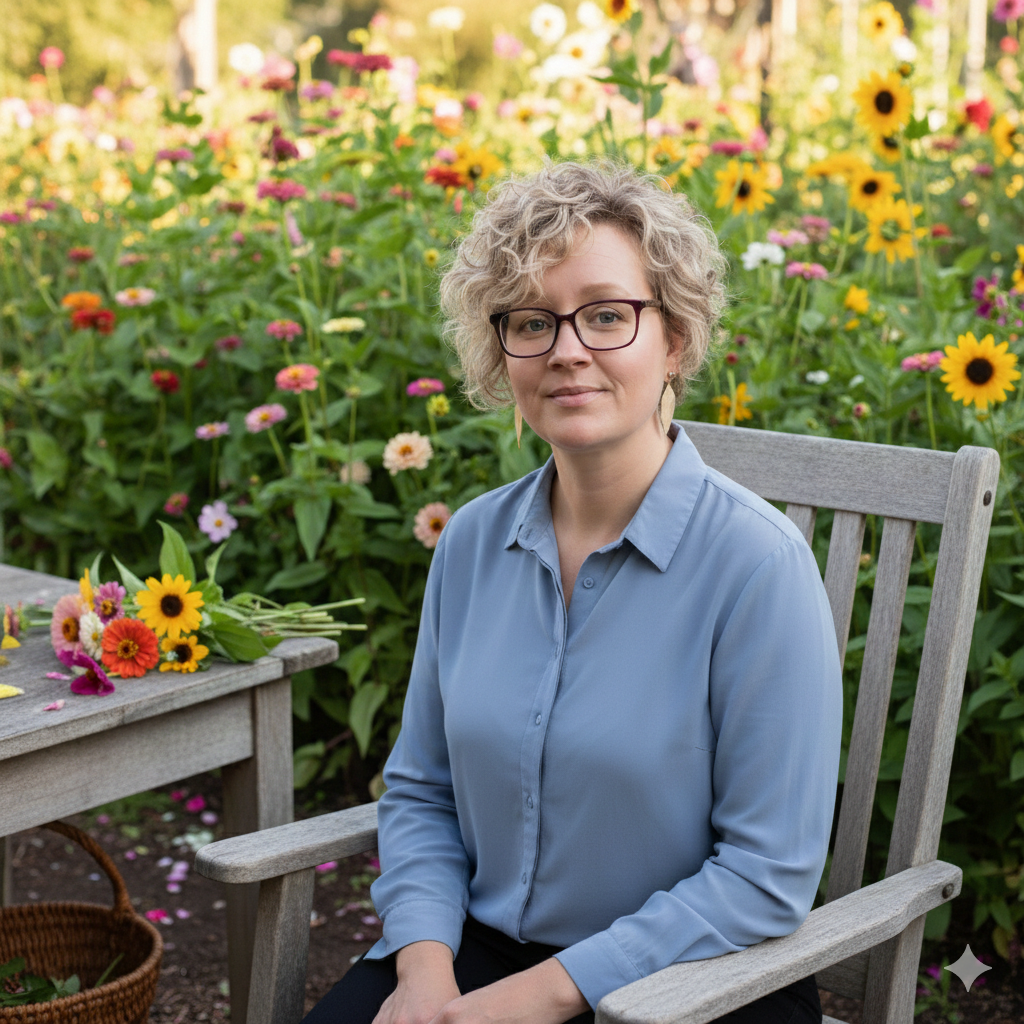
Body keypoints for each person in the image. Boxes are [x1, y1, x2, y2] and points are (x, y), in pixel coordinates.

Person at [302, 160, 843, 1024]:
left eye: (605, 314)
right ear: (500, 350)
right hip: (471, 952)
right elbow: (422, 791)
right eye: (531, 321)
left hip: (690, 977)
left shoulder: (758, 567)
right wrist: (427, 976)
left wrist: (533, 1000)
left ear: (674, 338)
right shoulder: (473, 542)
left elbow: (766, 875)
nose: (565, 350)